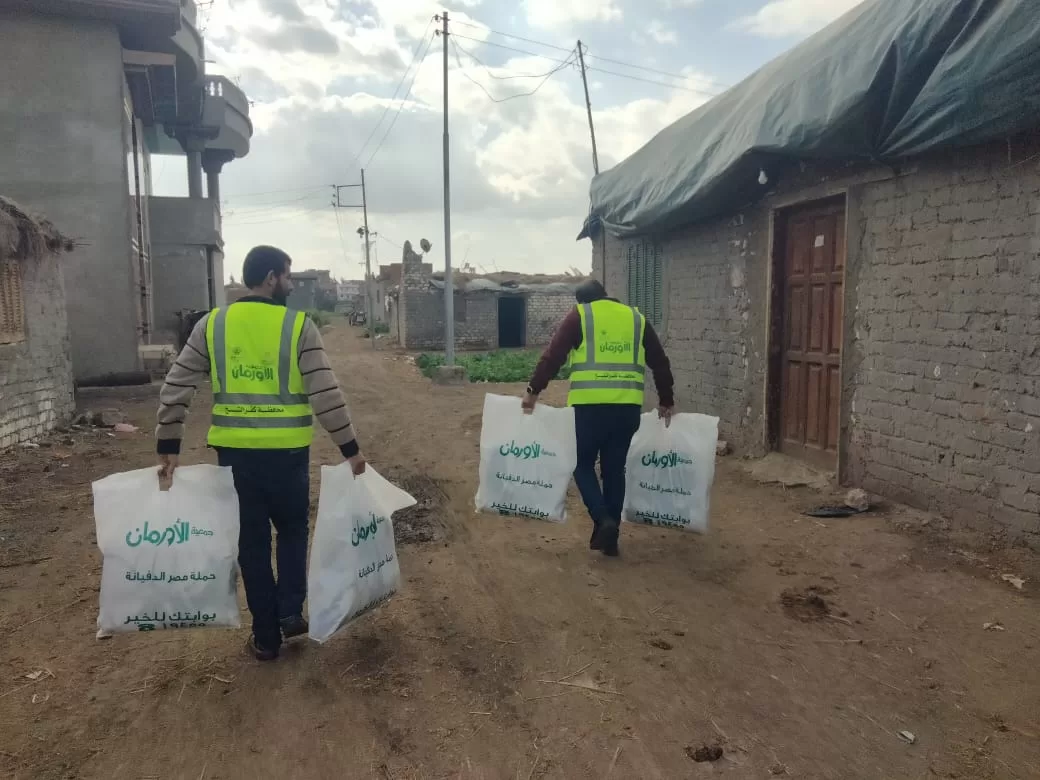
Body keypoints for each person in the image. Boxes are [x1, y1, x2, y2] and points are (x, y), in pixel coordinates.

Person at [155, 245, 366, 661]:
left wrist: (168, 444)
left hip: (236, 460)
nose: (290, 284)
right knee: (292, 531)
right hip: (287, 455)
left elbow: (176, 385)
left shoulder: (212, 325)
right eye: (287, 276)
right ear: (271, 278)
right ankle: (290, 611)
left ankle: (266, 638)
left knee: (251, 544)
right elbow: (326, 394)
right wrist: (351, 450)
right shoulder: (298, 326)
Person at [522, 280, 674, 557]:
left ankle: (603, 520)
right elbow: (659, 361)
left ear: (581, 301)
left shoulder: (580, 315)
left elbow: (553, 356)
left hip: (589, 409)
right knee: (614, 470)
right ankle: (611, 542)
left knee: (581, 464)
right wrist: (666, 399)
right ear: (605, 294)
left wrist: (534, 390)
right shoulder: (636, 319)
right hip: (626, 409)